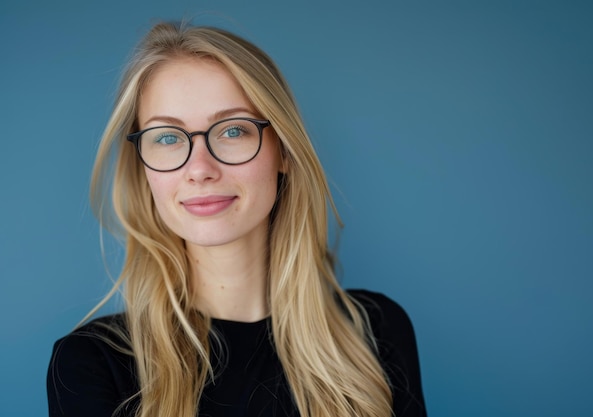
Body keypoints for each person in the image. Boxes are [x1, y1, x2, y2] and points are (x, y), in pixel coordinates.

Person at [46, 21, 427, 417]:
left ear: (283, 151)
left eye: (232, 130)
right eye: (167, 137)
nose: (199, 169)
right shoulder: (90, 365)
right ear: (144, 168)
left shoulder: (376, 333)